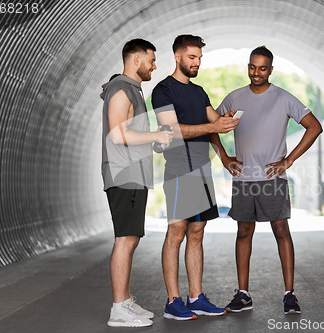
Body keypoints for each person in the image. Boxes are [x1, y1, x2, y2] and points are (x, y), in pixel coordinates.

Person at [212, 46, 323, 315]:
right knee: (243, 233)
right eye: (252, 67)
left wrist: (289, 160)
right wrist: (225, 158)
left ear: (270, 70)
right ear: (248, 66)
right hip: (243, 178)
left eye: (262, 68)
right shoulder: (234, 97)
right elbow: (212, 126)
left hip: (272, 179)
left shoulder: (283, 98)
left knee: (281, 231)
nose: (256, 73)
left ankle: (289, 294)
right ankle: (243, 294)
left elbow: (315, 126)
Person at [151, 34, 239, 320]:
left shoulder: (200, 92)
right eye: (192, 57)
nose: (197, 62)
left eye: (200, 58)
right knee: (176, 233)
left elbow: (214, 124)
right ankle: (172, 301)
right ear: (177, 57)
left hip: (202, 170)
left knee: (197, 234)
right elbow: (172, 131)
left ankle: (196, 297)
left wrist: (224, 155)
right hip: (179, 169)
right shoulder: (163, 90)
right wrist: (212, 124)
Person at [100, 38, 173, 327]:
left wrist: (155, 139)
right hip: (123, 175)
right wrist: (155, 136)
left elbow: (132, 135)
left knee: (131, 238)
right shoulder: (120, 89)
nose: (155, 66)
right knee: (125, 239)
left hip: (134, 175)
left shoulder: (134, 91)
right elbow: (117, 135)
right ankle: (118, 308)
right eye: (152, 60)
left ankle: (126, 300)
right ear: (136, 60)